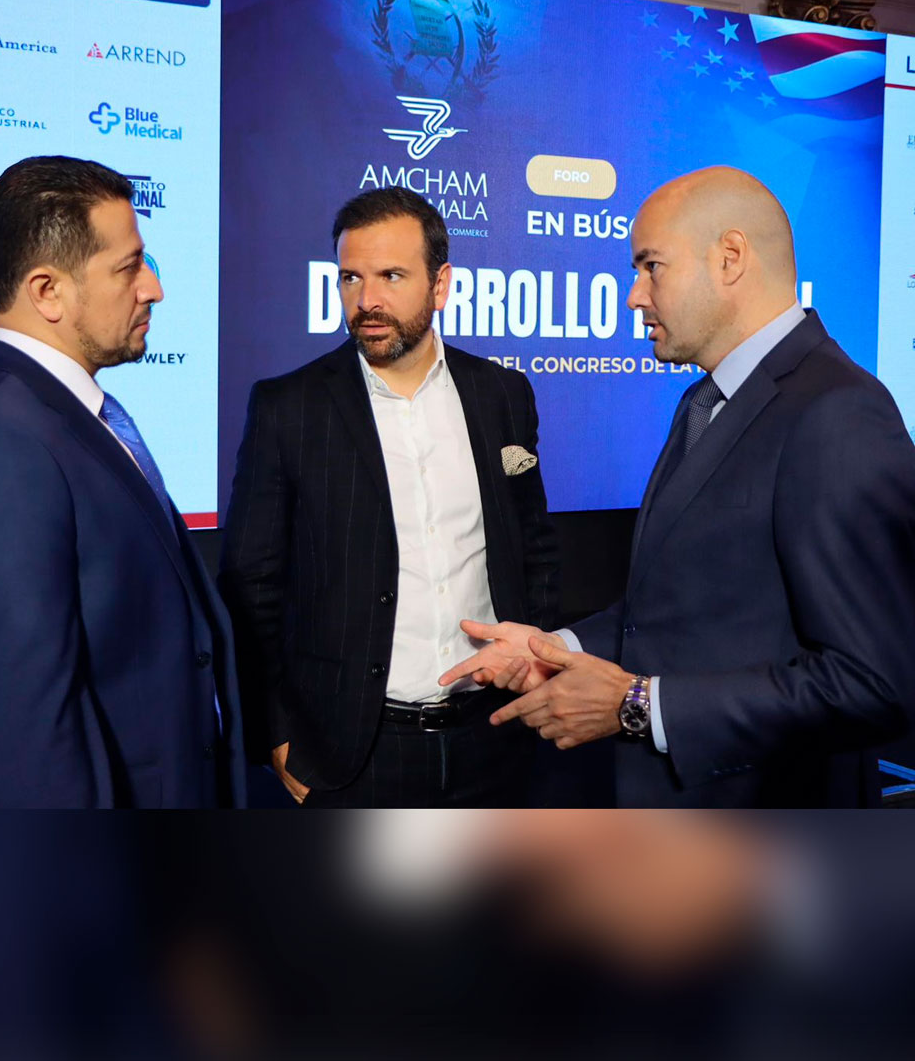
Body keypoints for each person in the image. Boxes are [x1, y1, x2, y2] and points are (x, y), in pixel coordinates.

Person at [440, 165, 915, 806]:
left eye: (651, 267)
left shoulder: (838, 412)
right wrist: (555, 649)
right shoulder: (703, 401)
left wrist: (640, 704)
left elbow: (874, 684)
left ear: (730, 258)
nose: (634, 296)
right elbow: (678, 614)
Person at [0, 155, 245, 808]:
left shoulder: (61, 418)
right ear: (47, 292)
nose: (154, 288)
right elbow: (24, 742)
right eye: (130, 267)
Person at [219, 186, 559, 806]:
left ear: (441, 284)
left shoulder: (502, 394)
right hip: (353, 753)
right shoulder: (289, 407)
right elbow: (250, 583)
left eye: (391, 276)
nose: (366, 300)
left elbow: (532, 545)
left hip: (496, 736)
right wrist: (276, 738)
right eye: (351, 278)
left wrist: (535, 657)